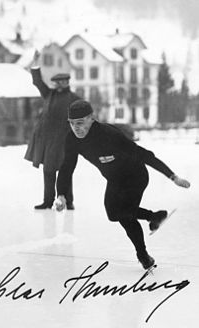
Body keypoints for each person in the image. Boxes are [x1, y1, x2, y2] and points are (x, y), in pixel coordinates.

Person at [55, 100, 190, 270]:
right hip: (115, 178)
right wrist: (60, 194)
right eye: (72, 124)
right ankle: (154, 218)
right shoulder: (72, 139)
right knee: (113, 214)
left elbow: (143, 154)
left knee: (124, 214)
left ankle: (144, 255)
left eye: (80, 123)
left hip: (135, 175)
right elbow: (66, 167)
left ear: (91, 118)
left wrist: (172, 176)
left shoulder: (108, 134)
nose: (76, 128)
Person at [25, 51, 80, 210]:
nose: (60, 84)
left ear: (67, 82)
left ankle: (68, 202)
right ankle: (47, 201)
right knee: (48, 171)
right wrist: (35, 62)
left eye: (63, 81)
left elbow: (83, 118)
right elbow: (37, 81)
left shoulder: (75, 99)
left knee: (65, 171)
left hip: (65, 141)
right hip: (47, 140)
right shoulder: (49, 94)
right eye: (57, 82)